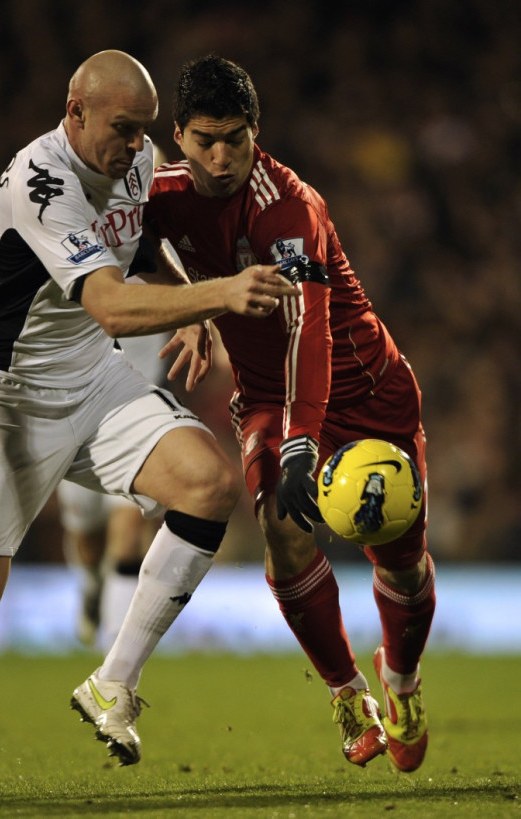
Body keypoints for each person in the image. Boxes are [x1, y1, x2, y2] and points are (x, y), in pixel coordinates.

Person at [0, 50, 299, 794]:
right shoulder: (40, 183)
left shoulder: (138, 159)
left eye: (145, 131)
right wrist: (218, 297)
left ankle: (114, 682)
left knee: (206, 483)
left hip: (93, 378)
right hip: (5, 395)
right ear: (74, 112)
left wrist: (186, 297)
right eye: (122, 129)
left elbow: (139, 245)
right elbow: (107, 301)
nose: (138, 147)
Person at [141, 55, 435, 773]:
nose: (220, 156)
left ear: (256, 132)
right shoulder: (163, 194)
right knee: (280, 528)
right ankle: (347, 691)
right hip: (270, 396)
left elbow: (310, 329)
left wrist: (305, 441)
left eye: (235, 138)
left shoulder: (289, 206)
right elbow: (138, 248)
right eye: (205, 138)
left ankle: (402, 680)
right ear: (179, 135)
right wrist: (191, 306)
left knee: (402, 567)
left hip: (367, 392)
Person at [56, 331, 170, 649]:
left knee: (130, 535)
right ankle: (92, 586)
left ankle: (115, 651)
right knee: (87, 542)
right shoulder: (83, 281)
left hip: (139, 420)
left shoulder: (165, 279)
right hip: (79, 422)